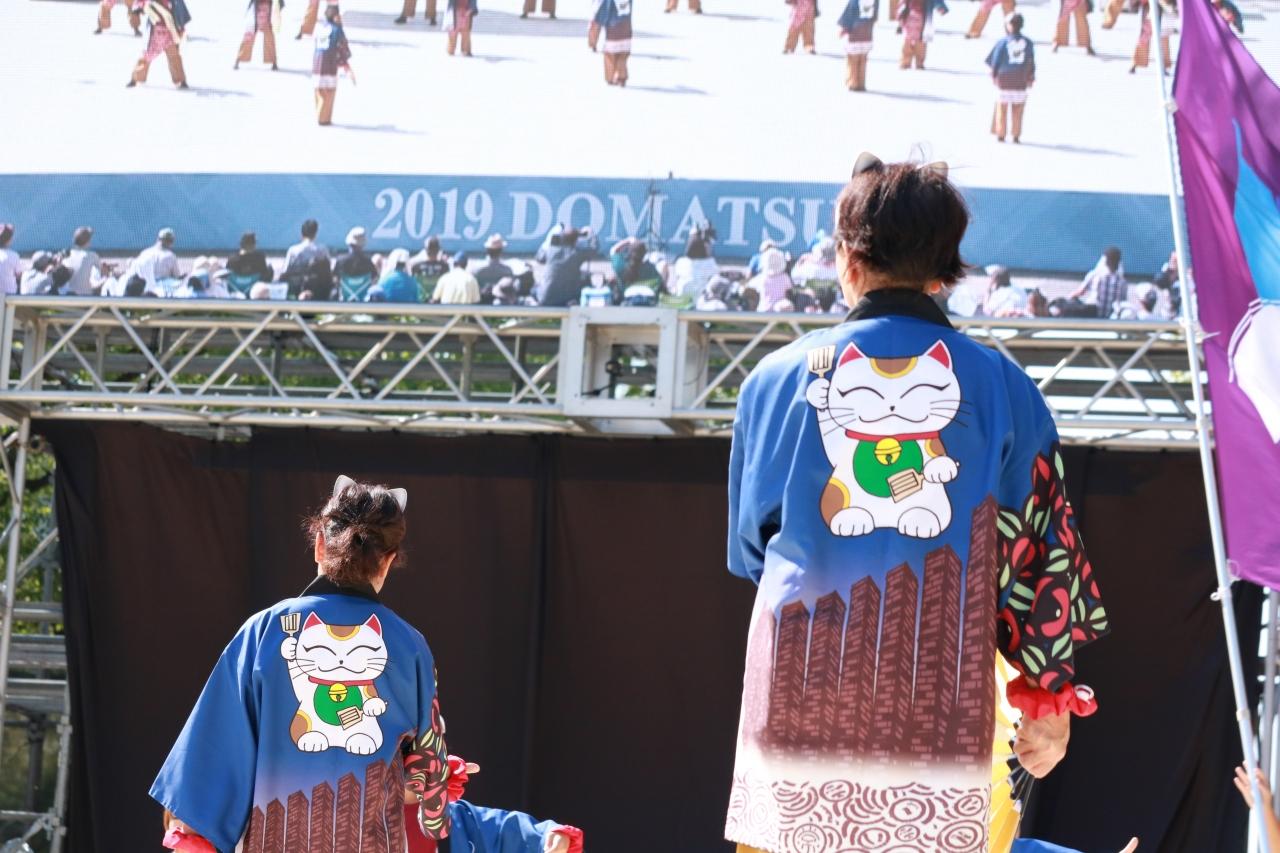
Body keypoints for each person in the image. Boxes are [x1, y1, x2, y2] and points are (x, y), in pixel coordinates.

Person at [724, 154, 1108, 853]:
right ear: (944, 270)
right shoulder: (1005, 388)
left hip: (796, 707)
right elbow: (1041, 561)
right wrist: (1047, 698)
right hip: (940, 721)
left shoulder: (774, 381)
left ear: (847, 260)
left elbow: (755, 549)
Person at [151, 476, 452, 852]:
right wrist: (435, 785)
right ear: (388, 561)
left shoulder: (264, 631)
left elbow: (208, 762)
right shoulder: (411, 647)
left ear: (320, 544)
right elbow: (426, 773)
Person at [986, 13, 1035, 144]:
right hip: (1021, 78)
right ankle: (1016, 134)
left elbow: (995, 60)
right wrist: (1031, 77)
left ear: (1009, 26)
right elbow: (1031, 61)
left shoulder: (1002, 42)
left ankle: (1001, 133)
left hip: (1004, 78)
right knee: (1018, 108)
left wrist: (994, 74)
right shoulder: (1028, 42)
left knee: (1002, 107)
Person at [126, 0, 191, 88]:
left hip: (170, 32)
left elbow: (180, 10)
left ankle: (181, 80)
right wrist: (138, 9)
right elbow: (139, 4)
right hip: (155, 33)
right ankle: (135, 79)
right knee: (147, 56)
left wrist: (181, 28)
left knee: (174, 56)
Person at [535, 225, 598, 307]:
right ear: (576, 240)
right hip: (566, 300)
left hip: (545, 298)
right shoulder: (577, 254)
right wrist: (591, 233)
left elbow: (539, 258)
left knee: (535, 287)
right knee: (584, 277)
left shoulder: (551, 250)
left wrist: (548, 240)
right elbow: (594, 248)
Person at [313, 5, 352, 126]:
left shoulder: (320, 27)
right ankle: (324, 118)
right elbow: (343, 46)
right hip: (330, 61)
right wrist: (344, 61)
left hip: (317, 61)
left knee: (319, 89)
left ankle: (320, 113)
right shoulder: (337, 29)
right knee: (329, 90)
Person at [1070, 246, 1128, 318]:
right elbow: (1123, 301)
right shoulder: (1122, 281)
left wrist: (1068, 299)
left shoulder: (1095, 275)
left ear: (1105, 260)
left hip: (1093, 315)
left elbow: (1080, 292)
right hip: (1112, 316)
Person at [590, 0, 633, 86]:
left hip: (613, 28)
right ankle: (622, 77)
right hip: (626, 28)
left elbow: (605, 10)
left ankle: (609, 78)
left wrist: (598, 21)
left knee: (610, 56)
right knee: (622, 55)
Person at [126, 228, 182, 293]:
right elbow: (176, 276)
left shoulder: (145, 252)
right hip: (163, 287)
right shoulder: (170, 256)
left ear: (158, 239)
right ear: (170, 242)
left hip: (144, 286)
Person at [838, 0, 877, 91]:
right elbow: (875, 14)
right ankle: (861, 83)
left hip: (855, 30)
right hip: (867, 30)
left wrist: (845, 27)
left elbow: (850, 12)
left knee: (853, 59)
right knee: (863, 59)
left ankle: (853, 82)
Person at [1130, 0, 1175, 73]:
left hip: (1165, 7)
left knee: (1163, 38)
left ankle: (1164, 65)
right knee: (1144, 36)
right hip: (1149, 7)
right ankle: (1136, 62)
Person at [671, 229, 719, 299]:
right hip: (700, 300)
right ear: (704, 248)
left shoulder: (680, 262)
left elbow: (677, 281)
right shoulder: (710, 263)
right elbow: (716, 282)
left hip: (682, 299)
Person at [899, 0, 946, 69]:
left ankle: (912, 62)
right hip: (911, 16)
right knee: (911, 39)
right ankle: (909, 62)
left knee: (918, 39)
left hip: (921, 16)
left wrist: (941, 7)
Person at [236, 0, 280, 69]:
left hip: (268, 11)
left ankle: (273, 61)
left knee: (269, 38)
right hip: (256, 11)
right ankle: (238, 59)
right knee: (249, 37)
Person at [747, 247, 792, 312]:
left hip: (764, 311)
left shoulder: (761, 278)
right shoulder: (785, 277)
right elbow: (790, 290)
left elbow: (748, 286)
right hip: (779, 312)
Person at [63, 227, 103, 296]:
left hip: (66, 297)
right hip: (86, 298)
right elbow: (100, 272)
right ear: (88, 242)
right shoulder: (92, 256)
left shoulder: (66, 255)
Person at [473, 234, 514, 299]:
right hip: (501, 302)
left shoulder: (476, 269)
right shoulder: (507, 270)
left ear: (487, 250)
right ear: (501, 250)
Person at [0, 224, 21, 295]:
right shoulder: (14, 256)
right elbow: (18, 275)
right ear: (9, 240)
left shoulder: (14, 255)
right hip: (9, 296)